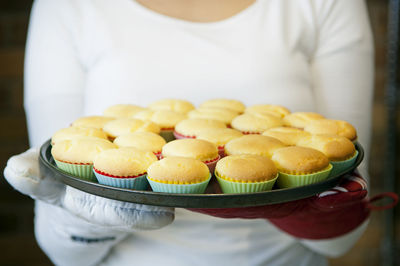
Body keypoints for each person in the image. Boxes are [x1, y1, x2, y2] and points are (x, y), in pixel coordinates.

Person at [4, 0, 377, 265]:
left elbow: (341, 242)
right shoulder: (66, 6)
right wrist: (74, 214)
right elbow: (64, 254)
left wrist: (305, 202)